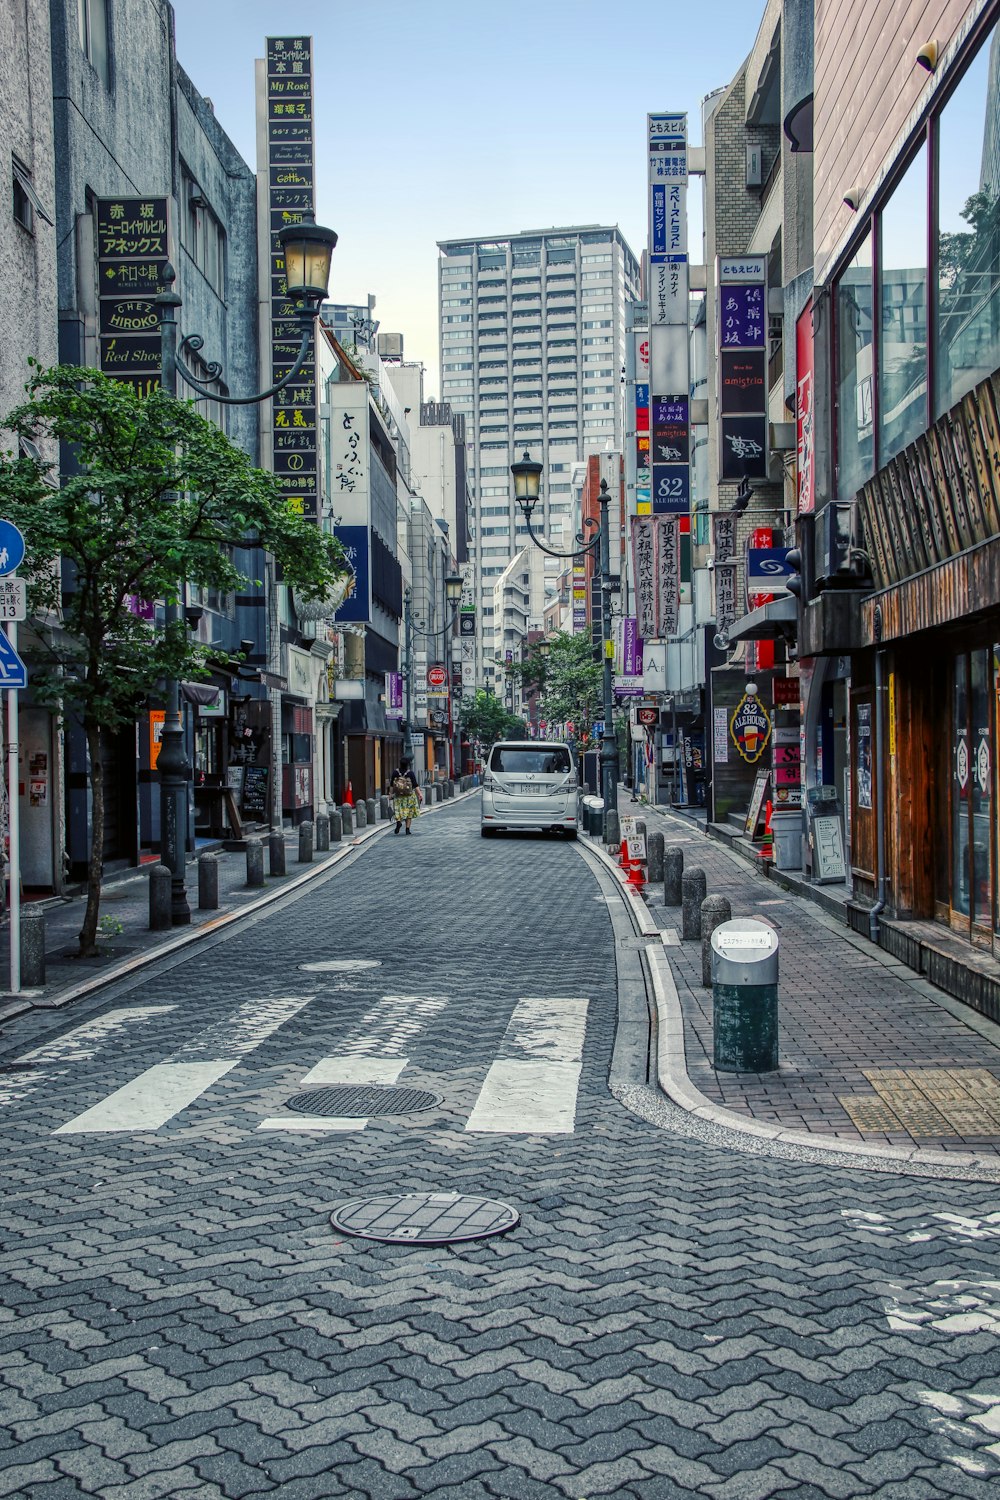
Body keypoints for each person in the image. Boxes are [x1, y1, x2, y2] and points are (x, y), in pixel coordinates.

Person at [389, 759, 421, 834]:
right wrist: (419, 794)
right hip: (409, 796)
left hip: (398, 795)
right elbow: (415, 785)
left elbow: (391, 785)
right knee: (409, 812)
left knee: (398, 810)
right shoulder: (410, 773)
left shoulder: (395, 772)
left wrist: (390, 794)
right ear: (408, 765)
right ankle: (407, 829)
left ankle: (399, 822)